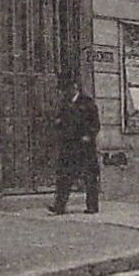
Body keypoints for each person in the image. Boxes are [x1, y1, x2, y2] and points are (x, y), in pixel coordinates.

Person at [49, 70, 101, 215]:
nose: (67, 92)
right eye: (65, 90)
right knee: (64, 176)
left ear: (75, 87)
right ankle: (59, 206)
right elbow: (58, 121)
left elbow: (95, 124)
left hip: (85, 147)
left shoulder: (88, 103)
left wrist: (88, 136)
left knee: (90, 177)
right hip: (69, 146)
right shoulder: (65, 104)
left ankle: (92, 206)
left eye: (69, 89)